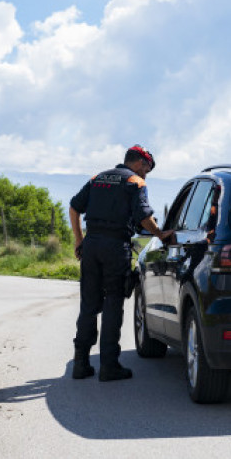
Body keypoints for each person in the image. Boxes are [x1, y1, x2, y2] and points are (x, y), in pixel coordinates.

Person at [69, 145, 172, 381]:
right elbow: (145, 217)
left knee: (89, 304)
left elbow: (74, 207)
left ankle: (81, 364)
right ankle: (109, 366)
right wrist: (160, 234)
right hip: (115, 247)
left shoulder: (98, 178)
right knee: (114, 301)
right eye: (147, 169)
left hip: (92, 246)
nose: (146, 174)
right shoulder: (136, 183)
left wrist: (79, 240)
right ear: (140, 163)